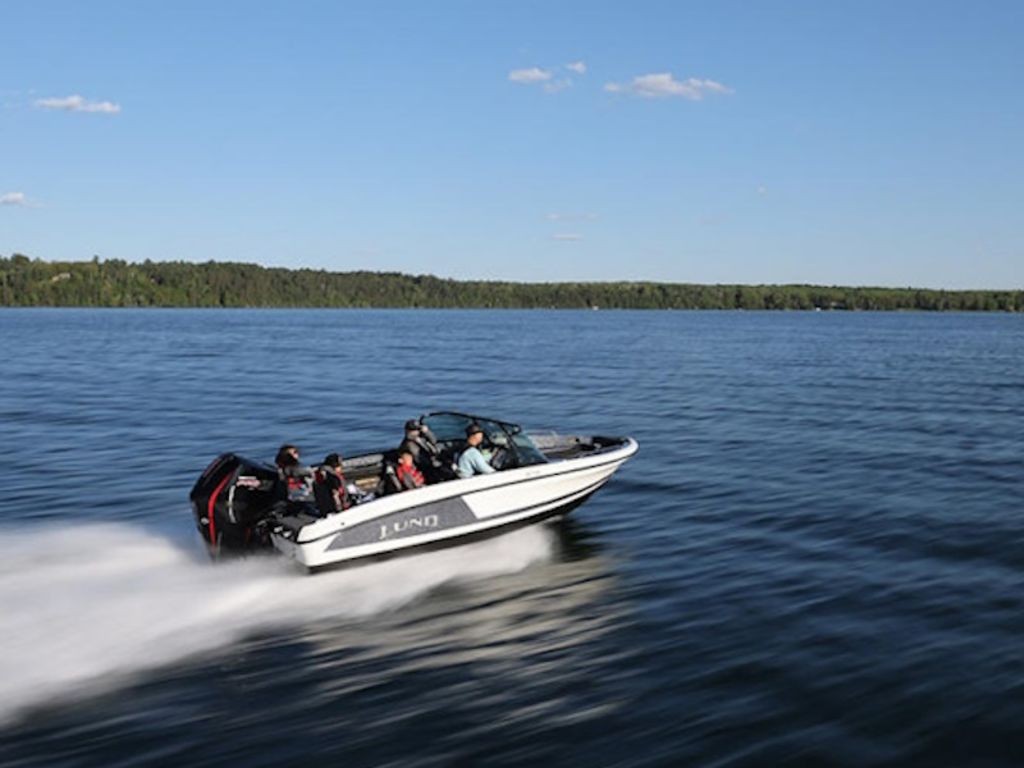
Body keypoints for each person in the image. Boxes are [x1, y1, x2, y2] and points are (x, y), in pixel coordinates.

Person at [274, 443, 314, 509]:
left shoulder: (281, 468)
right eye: (295, 452)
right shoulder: (293, 469)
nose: (297, 454)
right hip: (298, 495)